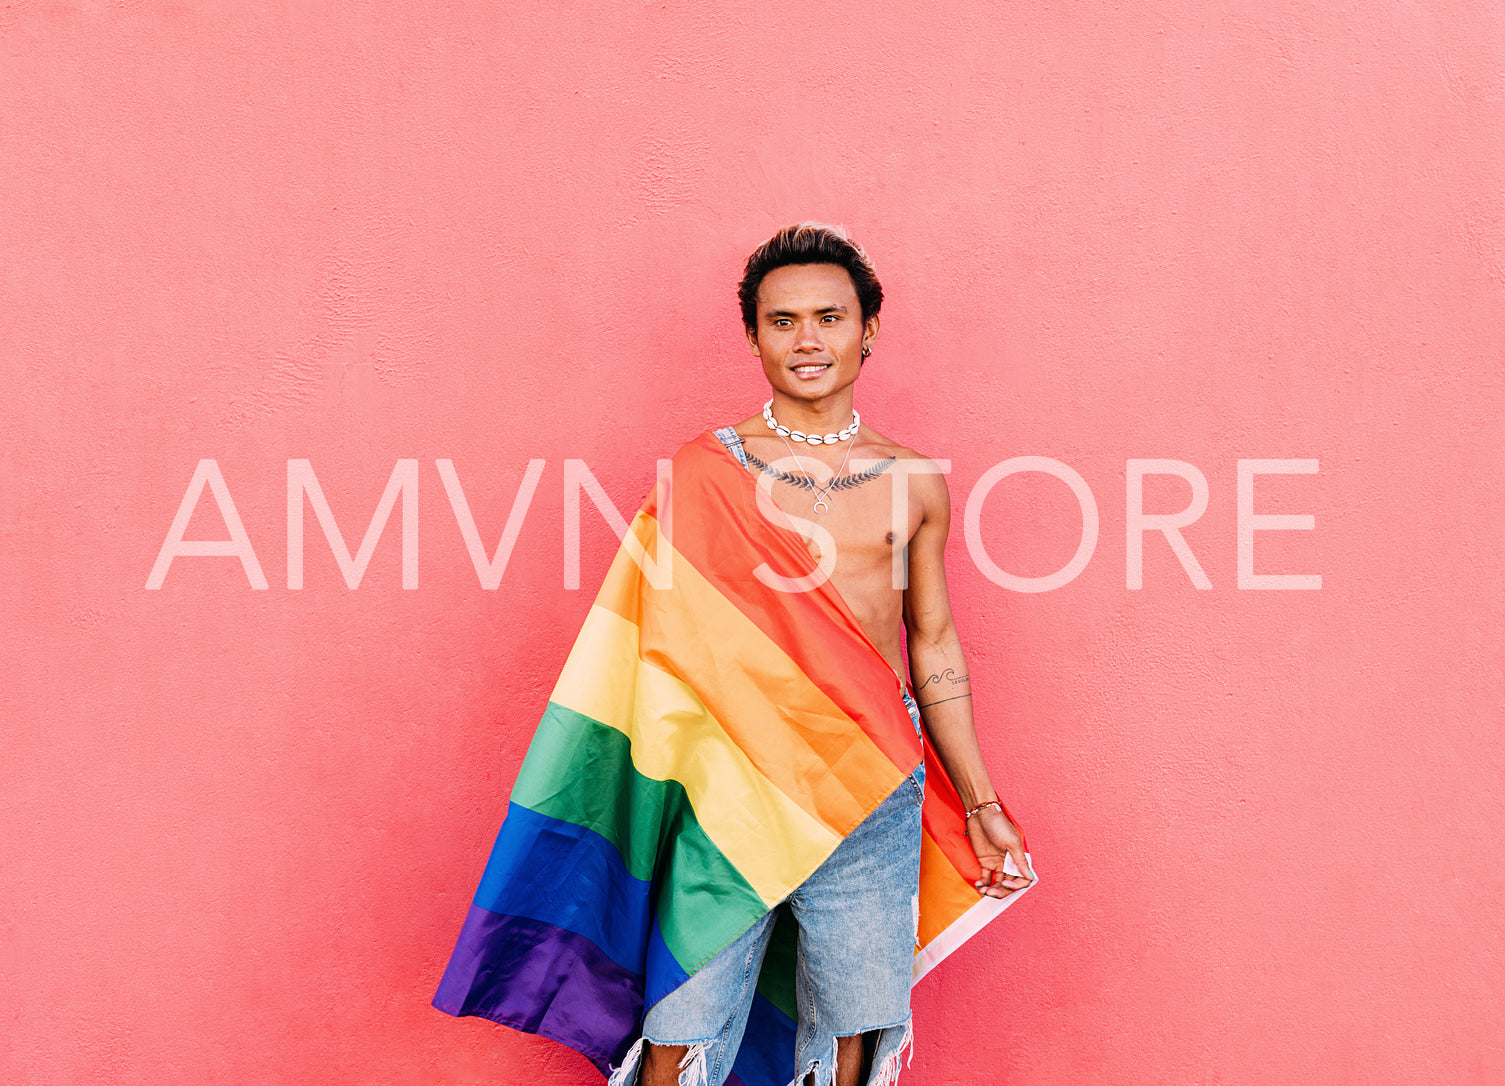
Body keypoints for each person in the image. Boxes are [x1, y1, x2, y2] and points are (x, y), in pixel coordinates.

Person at [433, 223, 1035, 1086]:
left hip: (868, 781)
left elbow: (932, 641)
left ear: (868, 329)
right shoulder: (704, 475)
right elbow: (651, 658)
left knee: (848, 1033)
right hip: (729, 784)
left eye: (829, 317)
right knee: (685, 1019)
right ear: (752, 336)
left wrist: (977, 798)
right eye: (781, 321)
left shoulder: (911, 480)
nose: (807, 340)